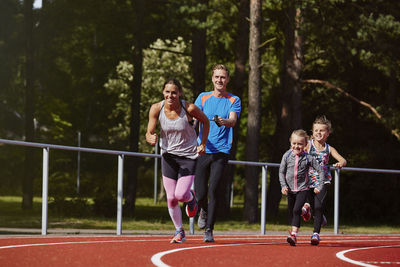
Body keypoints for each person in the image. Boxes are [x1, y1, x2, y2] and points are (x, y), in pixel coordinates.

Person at [146, 78, 210, 244]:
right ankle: (179, 231)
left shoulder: (188, 108)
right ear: (163, 93)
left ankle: (191, 199)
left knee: (181, 194)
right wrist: (150, 137)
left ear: (179, 93)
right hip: (168, 157)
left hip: (188, 157)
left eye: (174, 92)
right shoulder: (156, 109)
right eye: (167, 92)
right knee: (171, 198)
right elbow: (149, 131)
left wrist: (202, 143)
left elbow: (205, 121)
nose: (170, 95)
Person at [194, 64, 241, 242]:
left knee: (213, 189)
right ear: (212, 79)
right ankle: (203, 209)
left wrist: (224, 121)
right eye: (217, 77)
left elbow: (232, 121)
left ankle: (209, 230)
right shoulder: (203, 97)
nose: (220, 80)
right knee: (200, 193)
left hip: (221, 151)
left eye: (223, 77)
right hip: (203, 149)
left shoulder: (233, 100)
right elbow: (195, 117)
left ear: (227, 80)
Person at [301, 115, 347, 245]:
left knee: (319, 206)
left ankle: (315, 234)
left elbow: (343, 160)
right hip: (307, 180)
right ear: (312, 132)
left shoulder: (329, 148)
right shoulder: (308, 145)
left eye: (322, 131)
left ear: (328, 133)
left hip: (323, 180)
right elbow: (298, 154)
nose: (318, 133)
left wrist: (339, 163)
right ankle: (311, 211)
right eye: (316, 130)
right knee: (312, 206)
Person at [279, 129, 326, 246]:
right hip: (290, 190)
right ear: (290, 142)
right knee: (292, 212)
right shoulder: (287, 155)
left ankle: (294, 235)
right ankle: (306, 213)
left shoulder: (308, 158)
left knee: (295, 211)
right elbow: (281, 172)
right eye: (294, 143)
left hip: (302, 189)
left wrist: (319, 186)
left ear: (305, 145)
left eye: (300, 144)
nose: (296, 146)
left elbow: (320, 171)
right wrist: (283, 186)